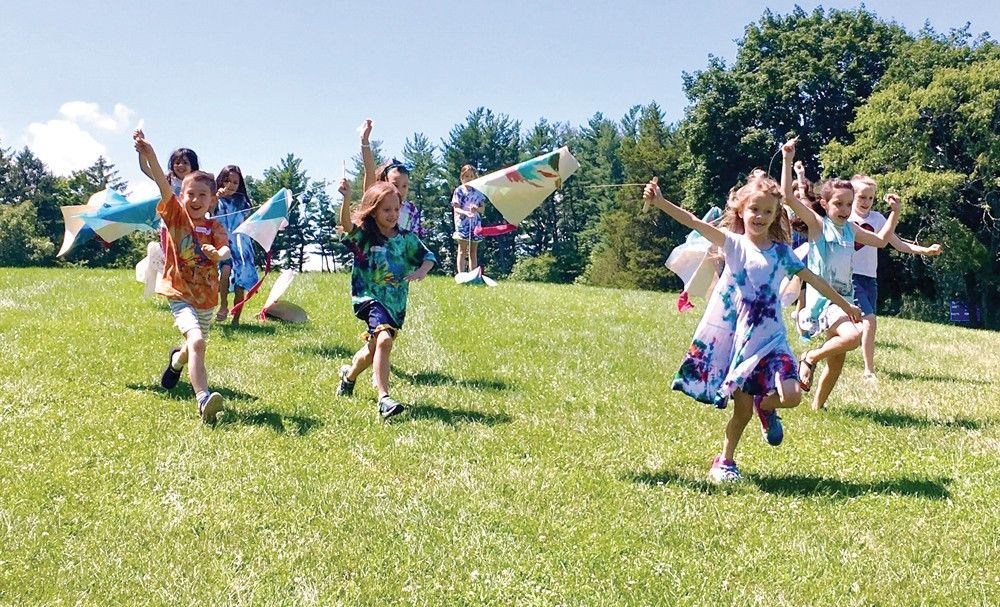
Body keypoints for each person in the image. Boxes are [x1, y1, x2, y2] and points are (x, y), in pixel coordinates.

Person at [642, 170, 860, 484]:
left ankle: (765, 406)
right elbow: (693, 221)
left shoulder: (782, 253)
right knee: (740, 414)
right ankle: (725, 460)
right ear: (741, 210)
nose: (760, 216)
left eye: (767, 211)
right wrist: (661, 202)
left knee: (792, 396)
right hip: (743, 345)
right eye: (754, 209)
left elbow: (816, 281)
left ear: (775, 216)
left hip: (773, 340)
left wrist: (846, 305)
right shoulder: (732, 243)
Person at [780, 140, 900, 411]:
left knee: (836, 364)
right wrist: (787, 159)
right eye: (839, 204)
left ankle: (817, 408)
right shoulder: (818, 225)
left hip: (845, 298)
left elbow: (882, 241)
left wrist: (895, 213)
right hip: (825, 299)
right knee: (853, 336)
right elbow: (787, 197)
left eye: (848, 204)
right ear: (824, 203)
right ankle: (810, 357)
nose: (845, 210)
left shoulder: (851, 229)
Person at [134, 130, 230, 425]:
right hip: (179, 292)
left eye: (203, 195)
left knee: (190, 347)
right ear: (182, 196)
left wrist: (217, 254)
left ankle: (176, 362)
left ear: (212, 200)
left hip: (207, 299)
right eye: (190, 194)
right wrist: (149, 154)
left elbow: (225, 250)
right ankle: (203, 399)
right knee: (198, 341)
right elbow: (163, 185)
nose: (196, 199)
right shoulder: (176, 216)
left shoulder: (214, 227)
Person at [335, 179, 436, 419]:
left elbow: (428, 256)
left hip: (395, 304)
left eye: (396, 209)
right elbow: (347, 225)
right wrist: (346, 198)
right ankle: (384, 398)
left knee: (374, 349)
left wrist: (421, 271)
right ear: (373, 211)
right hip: (369, 298)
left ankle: (349, 377)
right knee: (384, 340)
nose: (393, 214)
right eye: (386, 209)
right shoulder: (365, 237)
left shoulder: (406, 238)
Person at [849, 174, 943, 380]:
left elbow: (898, 244)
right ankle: (869, 372)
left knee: (867, 324)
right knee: (870, 321)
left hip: (869, 278)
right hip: (850, 277)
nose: (866, 202)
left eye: (870, 198)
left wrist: (925, 250)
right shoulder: (845, 218)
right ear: (852, 195)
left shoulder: (877, 219)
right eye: (862, 197)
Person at [360, 119, 425, 237]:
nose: (400, 190)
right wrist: (365, 142)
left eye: (405, 186)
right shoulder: (376, 204)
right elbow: (369, 171)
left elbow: (414, 240)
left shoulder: (410, 210)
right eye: (395, 185)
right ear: (384, 183)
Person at [213, 165, 259, 324]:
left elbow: (248, 219)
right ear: (220, 181)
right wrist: (216, 197)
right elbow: (209, 210)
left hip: (241, 246)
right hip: (223, 243)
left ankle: (236, 319)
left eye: (234, 182)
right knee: (225, 271)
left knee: (240, 284)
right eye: (226, 181)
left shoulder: (242, 202)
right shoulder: (215, 200)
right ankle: (223, 305)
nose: (230, 185)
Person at [451, 165, 485, 274]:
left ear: (475, 177)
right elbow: (456, 208)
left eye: (471, 176)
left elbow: (482, 209)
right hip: (463, 223)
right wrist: (466, 213)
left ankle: (472, 274)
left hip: (475, 224)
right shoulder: (459, 191)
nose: (469, 178)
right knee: (462, 250)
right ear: (462, 177)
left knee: (473, 251)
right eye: (466, 176)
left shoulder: (478, 192)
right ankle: (461, 274)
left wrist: (476, 209)